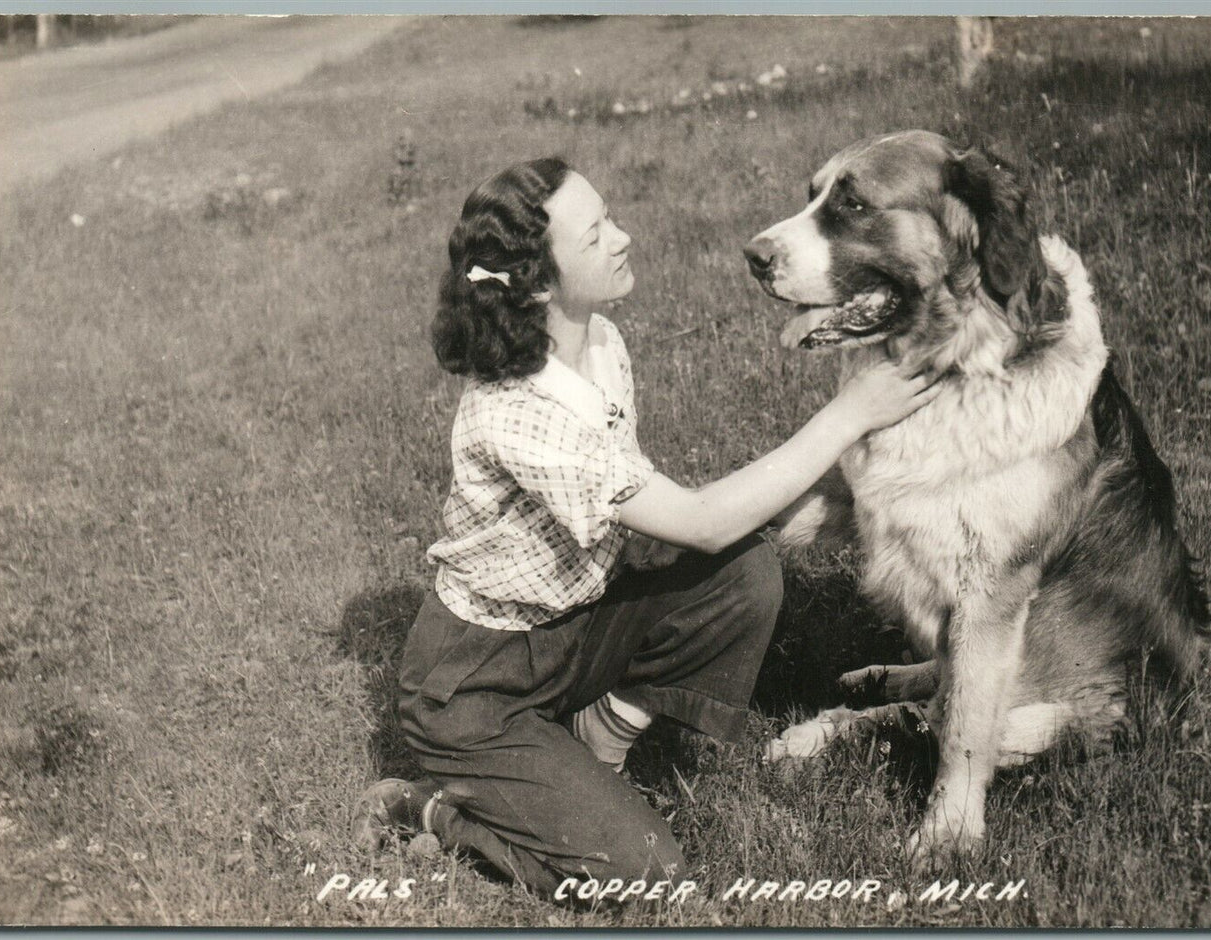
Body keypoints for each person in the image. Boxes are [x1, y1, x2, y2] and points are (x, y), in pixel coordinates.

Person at [350, 157, 942, 900]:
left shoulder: (598, 341)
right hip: (478, 685)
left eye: (610, 218)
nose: (623, 237)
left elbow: (683, 525)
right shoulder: (518, 416)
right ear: (538, 285)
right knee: (644, 875)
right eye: (595, 235)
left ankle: (599, 736)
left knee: (744, 571)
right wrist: (849, 415)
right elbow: (699, 522)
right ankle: (431, 808)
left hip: (578, 623)